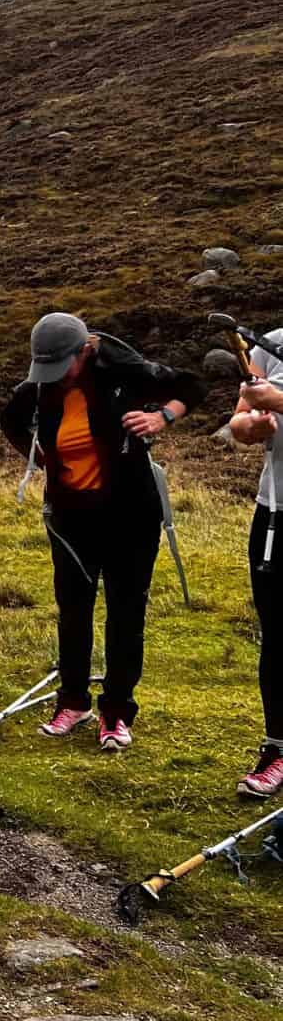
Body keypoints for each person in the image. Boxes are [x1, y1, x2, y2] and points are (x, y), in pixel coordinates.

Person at [0, 313, 204, 752]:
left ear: (84, 352)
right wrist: (36, 454)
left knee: (126, 613)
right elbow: (11, 421)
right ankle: (73, 702)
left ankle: (116, 712)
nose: (53, 376)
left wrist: (162, 417)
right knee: (73, 609)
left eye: (61, 367)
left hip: (131, 513)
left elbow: (191, 386)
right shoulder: (38, 388)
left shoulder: (122, 370)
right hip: (71, 519)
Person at [229, 331, 283, 797]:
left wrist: (281, 402)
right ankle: (277, 748)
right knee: (277, 636)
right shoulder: (271, 345)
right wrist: (254, 426)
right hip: (275, 514)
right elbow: (240, 424)